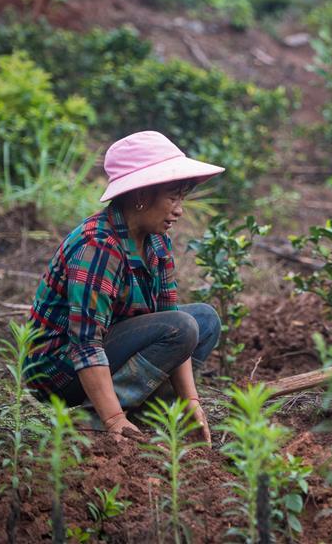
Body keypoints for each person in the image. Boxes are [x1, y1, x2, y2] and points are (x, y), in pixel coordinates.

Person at [25, 131, 225, 442]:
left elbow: (169, 314)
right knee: (182, 326)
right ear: (141, 196)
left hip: (109, 346)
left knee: (205, 320)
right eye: (173, 197)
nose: (179, 210)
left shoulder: (158, 242)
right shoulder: (99, 245)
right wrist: (113, 419)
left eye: (181, 199)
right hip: (59, 371)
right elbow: (85, 343)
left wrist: (191, 403)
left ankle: (151, 411)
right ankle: (93, 417)